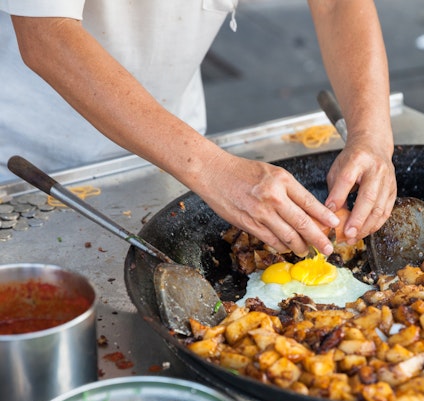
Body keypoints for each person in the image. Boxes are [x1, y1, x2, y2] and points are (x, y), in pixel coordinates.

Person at [0, 0, 396, 258]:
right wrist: (210, 168)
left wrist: (372, 135)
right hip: (33, 155)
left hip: (175, 142)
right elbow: (46, 35)